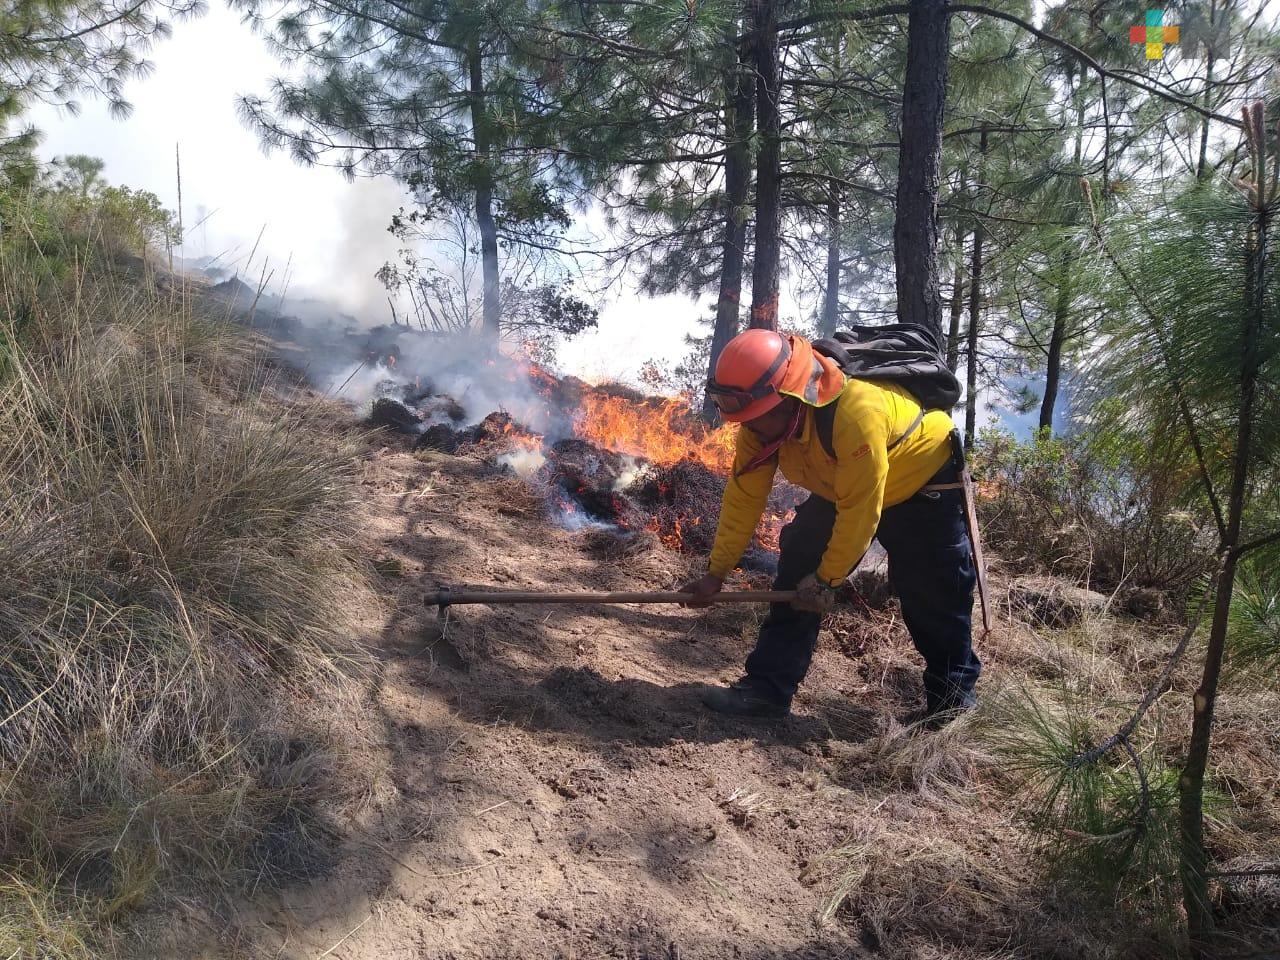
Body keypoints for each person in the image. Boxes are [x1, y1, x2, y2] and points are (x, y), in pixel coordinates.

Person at [680, 328, 980, 726]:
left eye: (756, 418)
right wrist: (716, 573)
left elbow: (861, 508)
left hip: (922, 482)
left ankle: (952, 707)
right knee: (795, 570)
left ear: (790, 397)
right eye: (743, 420)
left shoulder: (856, 410)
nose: (748, 428)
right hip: (845, 483)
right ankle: (766, 691)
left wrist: (826, 581)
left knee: (934, 596)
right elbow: (743, 498)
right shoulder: (759, 423)